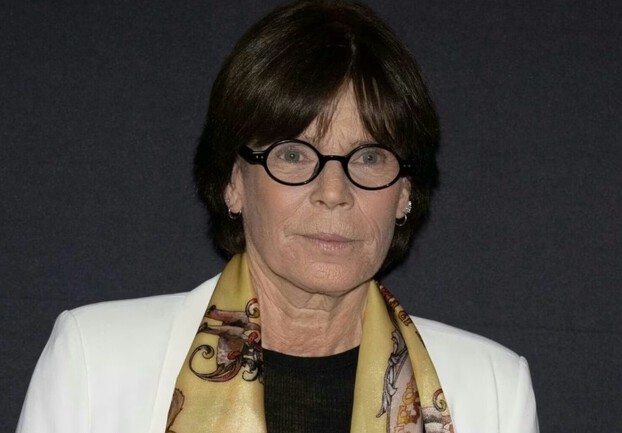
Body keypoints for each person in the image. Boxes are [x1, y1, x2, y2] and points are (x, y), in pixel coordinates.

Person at [16, 1, 538, 432]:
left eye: (369, 157)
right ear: (233, 182)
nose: (333, 192)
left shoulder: (492, 389)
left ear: (405, 192)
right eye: (293, 154)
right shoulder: (95, 362)